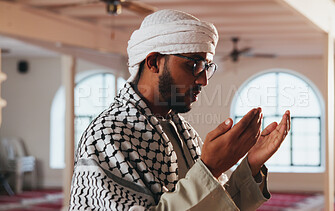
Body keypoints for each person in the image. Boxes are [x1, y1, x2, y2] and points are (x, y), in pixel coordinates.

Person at [69, 9, 291, 211]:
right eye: (194, 64)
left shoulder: (182, 131)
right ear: (154, 62)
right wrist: (210, 168)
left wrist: (251, 165)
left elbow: (214, 204)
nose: (204, 80)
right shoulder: (108, 134)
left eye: (207, 67)